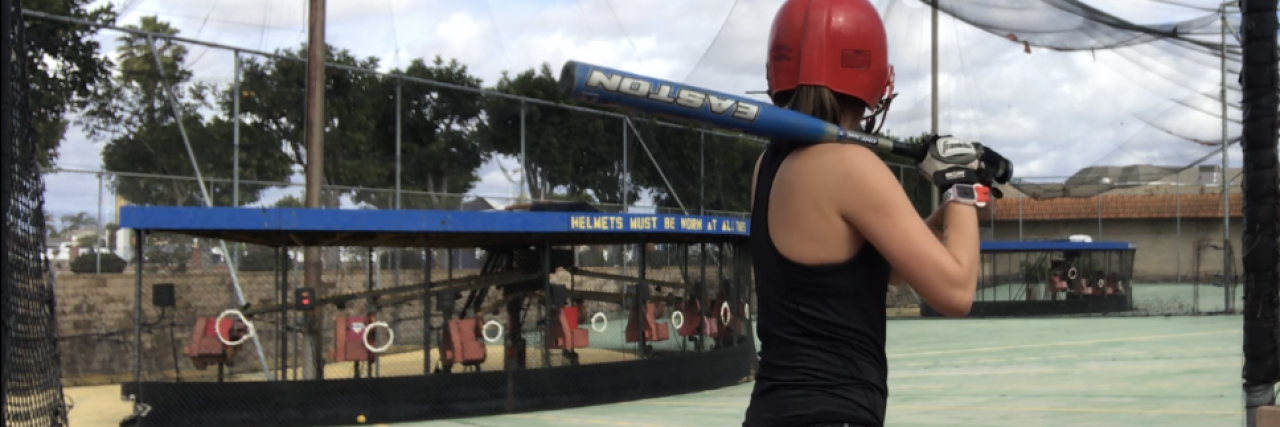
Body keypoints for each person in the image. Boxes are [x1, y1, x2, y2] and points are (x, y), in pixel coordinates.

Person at [742, 0, 995, 426]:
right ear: (876, 77)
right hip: (832, 411)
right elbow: (956, 293)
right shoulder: (852, 166)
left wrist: (948, 217)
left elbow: (891, 270)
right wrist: (960, 185)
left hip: (771, 410)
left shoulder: (766, 165)